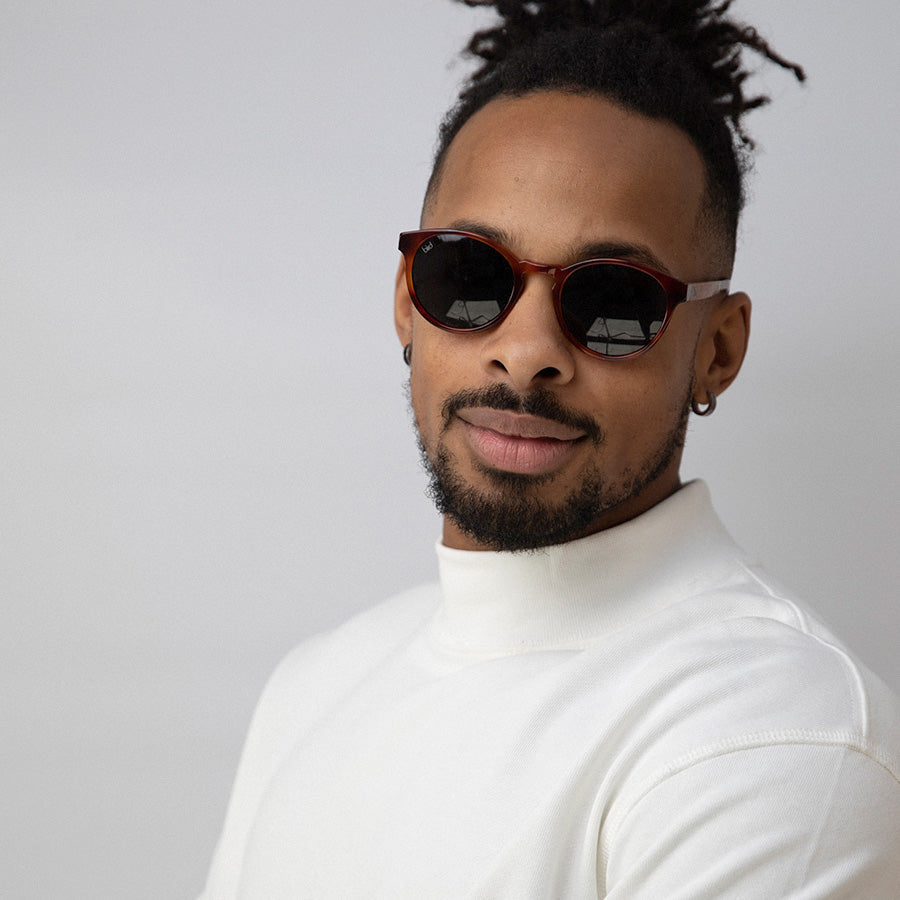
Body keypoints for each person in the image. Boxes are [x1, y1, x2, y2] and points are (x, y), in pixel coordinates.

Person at [200, 2, 900, 896]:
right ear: (407, 300)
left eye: (612, 299)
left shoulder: (774, 737)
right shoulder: (313, 688)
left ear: (717, 350)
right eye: (471, 275)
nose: (525, 350)